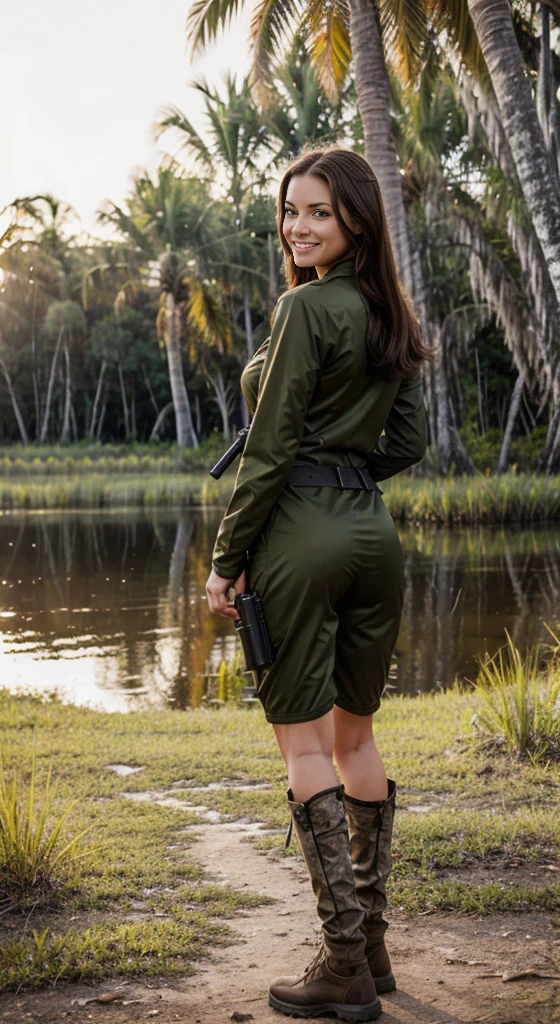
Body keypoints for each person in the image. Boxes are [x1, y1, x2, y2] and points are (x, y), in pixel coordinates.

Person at [206, 147, 432, 1023]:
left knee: (305, 750)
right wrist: (346, 466)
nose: (299, 227)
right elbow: (406, 438)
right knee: (356, 741)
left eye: (319, 214)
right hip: (372, 534)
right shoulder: (384, 311)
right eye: (291, 211)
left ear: (356, 224)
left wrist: (228, 561)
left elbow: (266, 453)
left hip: (299, 534)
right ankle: (370, 947)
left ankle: (341, 968)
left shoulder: (305, 306)